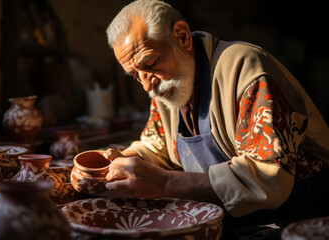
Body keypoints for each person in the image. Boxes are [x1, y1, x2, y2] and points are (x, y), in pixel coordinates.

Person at [103, 0, 329, 238]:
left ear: (182, 37)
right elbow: (157, 146)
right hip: (236, 216)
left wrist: (163, 183)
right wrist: (116, 162)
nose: (147, 86)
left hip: (299, 214)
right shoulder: (162, 85)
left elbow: (269, 179)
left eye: (150, 63)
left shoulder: (246, 68)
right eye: (135, 76)